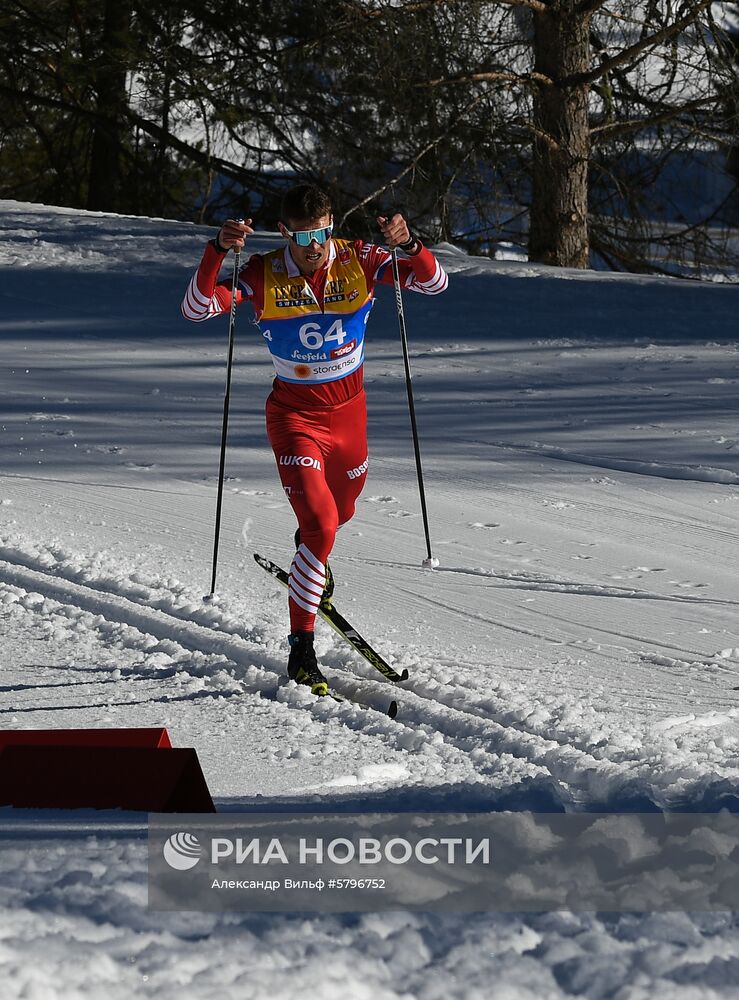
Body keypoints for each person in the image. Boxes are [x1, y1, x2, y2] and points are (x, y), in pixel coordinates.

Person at [182, 184, 448, 694]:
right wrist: (216, 252)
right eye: (304, 235)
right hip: (295, 418)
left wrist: (410, 244)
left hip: (350, 417)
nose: (315, 244)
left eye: (323, 232)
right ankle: (301, 649)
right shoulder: (261, 274)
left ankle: (310, 559)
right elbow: (196, 308)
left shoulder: (358, 259)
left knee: (339, 516)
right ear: (285, 233)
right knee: (323, 523)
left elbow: (433, 284)